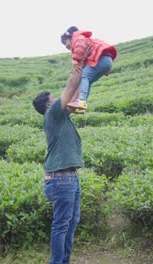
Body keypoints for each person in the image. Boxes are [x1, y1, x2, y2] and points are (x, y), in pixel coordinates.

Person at [32, 45, 91, 264]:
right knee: (61, 224)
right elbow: (71, 86)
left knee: (72, 222)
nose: (58, 99)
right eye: (54, 98)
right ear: (49, 104)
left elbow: (75, 94)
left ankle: (63, 260)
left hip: (70, 178)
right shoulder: (53, 114)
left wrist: (88, 76)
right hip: (60, 179)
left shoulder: (61, 116)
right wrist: (80, 63)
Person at [60, 26, 117, 113]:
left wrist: (76, 61)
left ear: (70, 37)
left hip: (101, 59)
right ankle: (81, 105)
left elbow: (80, 48)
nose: (66, 46)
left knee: (84, 76)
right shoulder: (82, 39)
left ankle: (81, 102)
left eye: (65, 42)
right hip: (106, 61)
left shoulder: (77, 38)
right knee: (87, 80)